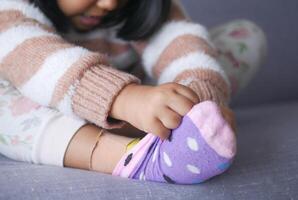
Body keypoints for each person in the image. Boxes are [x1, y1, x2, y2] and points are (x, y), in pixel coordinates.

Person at [0, 0, 267, 184]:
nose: (109, 4)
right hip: (44, 108)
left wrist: (197, 103)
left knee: (243, 37)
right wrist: (122, 98)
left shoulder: (136, 8)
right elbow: (32, 59)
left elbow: (182, 47)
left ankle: (176, 124)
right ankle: (136, 157)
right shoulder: (9, 11)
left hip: (145, 100)